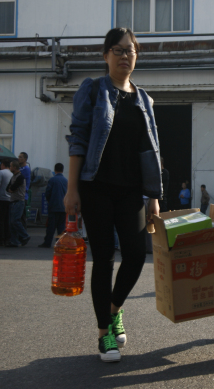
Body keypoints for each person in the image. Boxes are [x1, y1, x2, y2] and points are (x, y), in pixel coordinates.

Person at [64, 27, 162, 363]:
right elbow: (78, 139)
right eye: (117, 50)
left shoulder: (144, 99)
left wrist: (153, 196)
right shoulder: (93, 90)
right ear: (106, 55)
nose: (124, 56)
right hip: (96, 188)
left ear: (137, 56)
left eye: (130, 50)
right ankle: (104, 333)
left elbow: (151, 149)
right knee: (104, 259)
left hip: (131, 191)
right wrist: (72, 189)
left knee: (135, 255)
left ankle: (114, 308)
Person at [38, 163, 68, 248]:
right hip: (63, 207)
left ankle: (47, 243)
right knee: (61, 227)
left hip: (54, 206)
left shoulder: (52, 180)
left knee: (51, 226)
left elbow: (48, 193)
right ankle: (60, 244)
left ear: (55, 170)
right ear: (62, 170)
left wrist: (50, 201)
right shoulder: (66, 181)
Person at [6, 160, 30, 247]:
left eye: (11, 166)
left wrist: (12, 189)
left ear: (15, 167)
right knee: (11, 222)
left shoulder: (20, 177)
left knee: (15, 221)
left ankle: (25, 235)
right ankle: (14, 241)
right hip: (13, 201)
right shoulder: (13, 177)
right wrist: (11, 189)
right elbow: (8, 188)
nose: (10, 168)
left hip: (19, 201)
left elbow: (12, 187)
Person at [0, 158, 13, 246]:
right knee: (7, 220)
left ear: (3, 165)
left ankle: (0, 239)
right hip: (10, 199)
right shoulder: (12, 173)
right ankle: (7, 238)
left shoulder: (1, 172)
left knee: (1, 220)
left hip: (1, 199)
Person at [18, 152, 31, 227]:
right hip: (19, 195)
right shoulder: (20, 168)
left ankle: (23, 232)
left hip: (23, 195)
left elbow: (26, 183)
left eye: (21, 157)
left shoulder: (26, 169)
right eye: (19, 157)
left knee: (22, 216)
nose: (19, 158)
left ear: (25, 159)